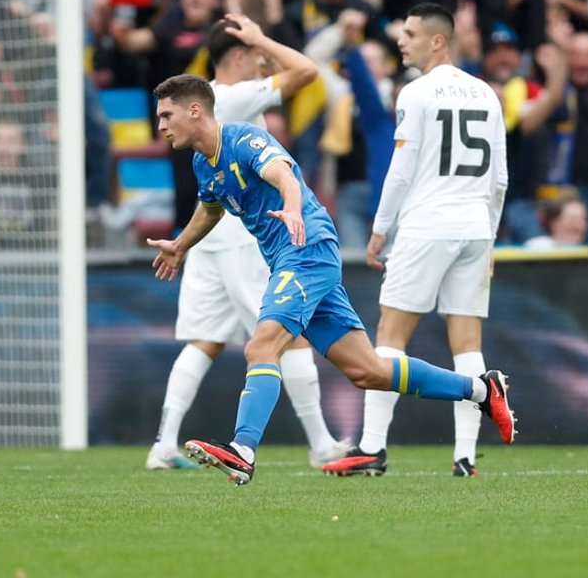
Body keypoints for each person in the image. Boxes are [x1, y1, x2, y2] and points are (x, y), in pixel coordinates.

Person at [146, 69, 516, 487]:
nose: (161, 125)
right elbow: (211, 207)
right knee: (368, 371)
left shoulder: (244, 138)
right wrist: (181, 245)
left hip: (306, 250)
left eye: (166, 115)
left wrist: (292, 209)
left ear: (195, 110)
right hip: (294, 259)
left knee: (262, 344)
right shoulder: (203, 163)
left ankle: (243, 450)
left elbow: (283, 173)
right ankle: (482, 390)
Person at [145, 14, 347, 471]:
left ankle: (164, 443)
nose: (263, 65)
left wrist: (182, 243)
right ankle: (321, 444)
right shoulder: (232, 97)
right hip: (246, 234)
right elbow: (306, 71)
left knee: (205, 341)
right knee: (286, 335)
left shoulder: (209, 107)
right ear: (239, 55)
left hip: (206, 237)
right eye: (257, 57)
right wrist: (263, 39)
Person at [320, 3, 510, 479]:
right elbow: (500, 178)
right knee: (467, 342)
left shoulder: (416, 93)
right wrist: (489, 237)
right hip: (474, 226)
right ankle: (465, 457)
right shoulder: (487, 93)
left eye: (409, 33)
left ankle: (372, 447)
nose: (401, 41)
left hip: (428, 224)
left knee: (390, 335)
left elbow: (401, 170)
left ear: (437, 40)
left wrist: (381, 228)